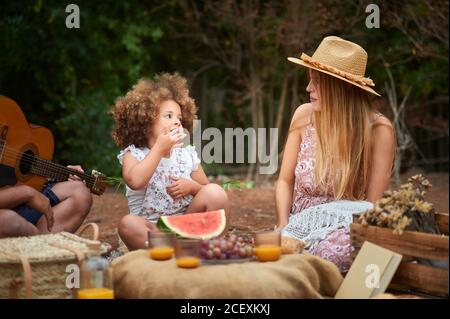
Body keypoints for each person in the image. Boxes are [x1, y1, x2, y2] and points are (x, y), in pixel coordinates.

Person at [275, 36, 396, 272]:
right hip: (298, 225)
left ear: (341, 87)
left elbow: (371, 207)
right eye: (310, 80)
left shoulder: (379, 131)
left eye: (318, 81)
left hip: (345, 227)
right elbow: (284, 180)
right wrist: (282, 223)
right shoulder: (303, 116)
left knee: (326, 256)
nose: (309, 88)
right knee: (273, 255)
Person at [111, 73, 230, 251]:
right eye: (168, 116)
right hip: (152, 229)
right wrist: (159, 149)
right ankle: (172, 250)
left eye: (179, 118)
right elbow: (135, 181)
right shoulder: (134, 154)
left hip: (187, 223)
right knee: (127, 224)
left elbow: (207, 191)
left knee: (216, 193)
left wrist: (192, 187)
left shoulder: (186, 155)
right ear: (145, 121)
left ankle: (210, 247)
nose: (176, 121)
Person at [0, 165, 93, 238]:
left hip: (19, 202)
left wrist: (58, 173)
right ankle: (40, 248)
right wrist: (27, 193)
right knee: (11, 223)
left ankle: (42, 249)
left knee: (80, 193)